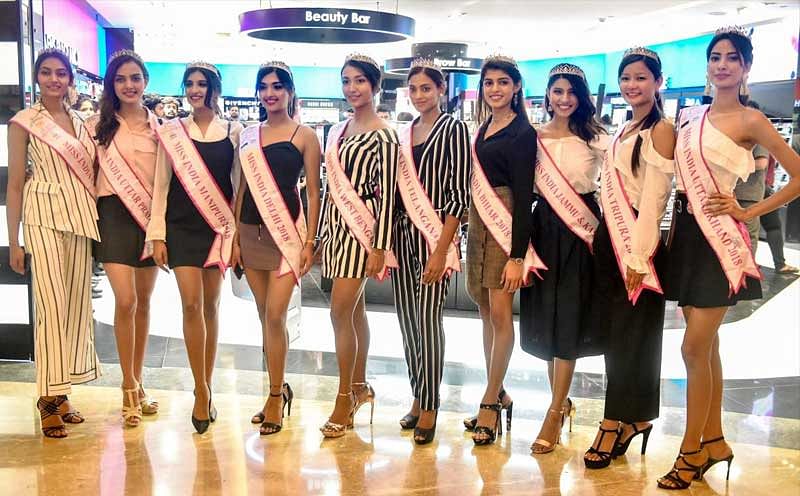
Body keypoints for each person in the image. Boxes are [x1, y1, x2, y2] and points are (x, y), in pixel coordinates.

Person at [658, 26, 800, 489]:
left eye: (732, 58)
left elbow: (797, 177)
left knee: (692, 348)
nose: (722, 64)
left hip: (723, 240)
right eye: (715, 56)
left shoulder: (751, 121)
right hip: (687, 236)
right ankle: (714, 440)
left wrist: (749, 209)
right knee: (709, 348)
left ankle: (690, 451)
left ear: (746, 68)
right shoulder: (688, 116)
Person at [584, 47, 675, 469]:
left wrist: (638, 257)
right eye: (626, 78)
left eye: (641, 78)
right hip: (611, 237)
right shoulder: (625, 127)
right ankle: (635, 417)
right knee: (618, 334)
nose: (632, 86)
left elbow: (654, 203)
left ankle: (612, 421)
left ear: (658, 82)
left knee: (631, 336)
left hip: (637, 243)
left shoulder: (661, 130)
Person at [6, 48, 100, 438]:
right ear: (36, 78)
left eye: (60, 73)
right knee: (50, 305)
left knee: (76, 306)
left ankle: (61, 392)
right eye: (46, 73)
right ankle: (46, 399)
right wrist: (13, 240)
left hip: (79, 219)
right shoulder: (24, 123)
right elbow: (14, 182)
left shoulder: (82, 123)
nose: (54, 80)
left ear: (70, 80)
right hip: (42, 216)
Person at [146, 61, 243, 434]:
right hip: (182, 227)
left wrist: (233, 237)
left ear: (215, 88)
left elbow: (237, 186)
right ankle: (200, 390)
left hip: (217, 228)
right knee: (191, 304)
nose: (195, 89)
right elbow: (161, 184)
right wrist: (157, 233)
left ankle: (209, 382)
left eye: (202, 84)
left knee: (212, 307)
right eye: (190, 84)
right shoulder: (172, 131)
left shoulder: (234, 131)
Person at [519, 63, 607, 454]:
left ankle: (554, 411)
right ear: (548, 95)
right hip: (544, 228)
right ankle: (560, 400)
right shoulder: (534, 138)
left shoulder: (598, 138)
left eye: (572, 92)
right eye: (557, 91)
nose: (564, 99)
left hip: (581, 231)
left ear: (582, 96)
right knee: (547, 317)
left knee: (569, 316)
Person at [233, 61, 321, 435]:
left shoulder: (305, 136)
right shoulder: (249, 135)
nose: (270, 93)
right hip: (250, 232)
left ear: (289, 92)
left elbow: (315, 192)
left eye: (278, 87)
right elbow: (241, 189)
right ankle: (277, 385)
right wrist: (235, 237)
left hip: (286, 236)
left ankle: (273, 396)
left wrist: (310, 240)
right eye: (264, 87)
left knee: (275, 315)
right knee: (263, 315)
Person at [318, 53, 398, 438]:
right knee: (355, 313)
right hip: (335, 228)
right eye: (347, 81)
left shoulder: (384, 134)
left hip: (363, 233)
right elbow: (327, 187)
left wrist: (379, 246)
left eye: (360, 81)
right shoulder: (338, 130)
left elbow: (388, 196)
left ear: (375, 85)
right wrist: (318, 234)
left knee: (338, 312)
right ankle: (361, 386)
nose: (353, 88)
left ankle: (343, 397)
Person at [392, 59, 471, 444]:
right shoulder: (405, 132)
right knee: (408, 322)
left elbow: (459, 196)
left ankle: (432, 404)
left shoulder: (453, 128)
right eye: (414, 89)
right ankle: (416, 394)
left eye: (427, 88)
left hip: (435, 236)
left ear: (441, 90)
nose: (420, 95)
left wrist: (442, 250)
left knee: (427, 320)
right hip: (402, 235)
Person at [465, 54, 539, 446]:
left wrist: (517, 255)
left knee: (499, 313)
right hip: (479, 223)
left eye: (502, 82)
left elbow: (525, 195)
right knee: (484, 313)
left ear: (516, 88)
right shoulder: (483, 127)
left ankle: (489, 404)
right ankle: (499, 390)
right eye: (489, 82)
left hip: (505, 223)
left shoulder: (523, 133)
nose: (495, 89)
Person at [87, 50, 161, 428]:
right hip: (114, 215)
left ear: (145, 81)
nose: (129, 85)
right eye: (120, 79)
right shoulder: (96, 127)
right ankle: (127, 387)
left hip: (149, 219)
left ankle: (139, 381)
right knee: (126, 300)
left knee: (145, 303)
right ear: (111, 85)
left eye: (135, 78)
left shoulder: (160, 129)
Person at [733, 100, 768, 250]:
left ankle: (749, 271)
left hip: (749, 195)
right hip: (732, 193)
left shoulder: (759, 135)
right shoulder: (737, 134)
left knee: (748, 235)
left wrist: (735, 167)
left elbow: (761, 163)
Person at [761, 154, 799, 274]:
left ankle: (779, 264)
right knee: (772, 227)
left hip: (752, 187)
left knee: (750, 229)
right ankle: (780, 264)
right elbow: (762, 163)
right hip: (761, 186)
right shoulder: (763, 143)